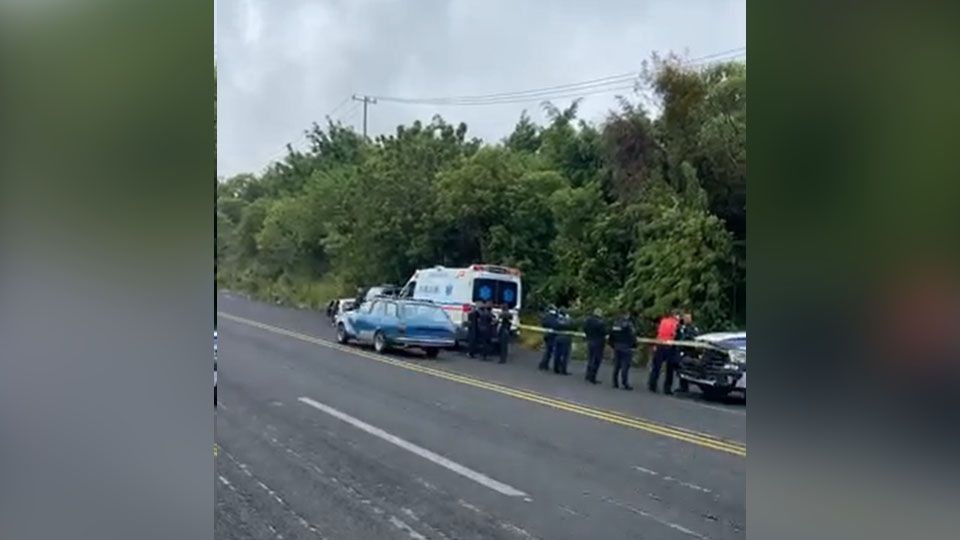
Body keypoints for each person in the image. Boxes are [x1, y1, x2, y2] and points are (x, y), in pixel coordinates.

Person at [648, 310, 681, 393]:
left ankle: (652, 385)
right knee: (670, 369)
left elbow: (659, 333)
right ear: (675, 315)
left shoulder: (663, 321)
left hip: (659, 344)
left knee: (656, 367)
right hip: (670, 346)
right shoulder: (676, 323)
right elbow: (675, 335)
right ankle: (667, 388)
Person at [608, 313, 637, 390]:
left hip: (617, 346)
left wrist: (612, 345)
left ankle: (615, 382)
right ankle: (625, 383)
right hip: (626, 347)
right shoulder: (629, 324)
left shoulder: (616, 324)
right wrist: (634, 346)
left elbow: (611, 335)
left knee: (616, 365)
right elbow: (632, 336)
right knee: (625, 366)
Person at [674, 311, 699, 393]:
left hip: (690, 351)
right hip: (681, 350)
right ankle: (683, 386)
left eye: (688, 318)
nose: (686, 320)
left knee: (686, 366)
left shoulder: (693, 329)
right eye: (685, 318)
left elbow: (694, 338)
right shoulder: (681, 328)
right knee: (681, 367)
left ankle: (685, 386)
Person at [583, 308, 607, 384]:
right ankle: (592, 377)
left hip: (590, 340)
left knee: (590, 358)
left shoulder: (588, 320)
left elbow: (585, 328)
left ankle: (588, 375)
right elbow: (604, 332)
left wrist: (588, 336)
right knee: (596, 360)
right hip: (598, 342)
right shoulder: (600, 322)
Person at [537, 306, 559, 371]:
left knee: (548, 350)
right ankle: (543, 364)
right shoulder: (555, 317)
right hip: (552, 335)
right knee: (549, 351)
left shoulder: (546, 316)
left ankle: (544, 364)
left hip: (547, 335)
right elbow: (556, 325)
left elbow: (543, 324)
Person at [553, 309, 573, 375]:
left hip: (557, 338)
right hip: (566, 339)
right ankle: (563, 370)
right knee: (565, 355)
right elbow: (572, 326)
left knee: (557, 354)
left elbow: (554, 326)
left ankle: (556, 368)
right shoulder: (568, 320)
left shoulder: (557, 319)